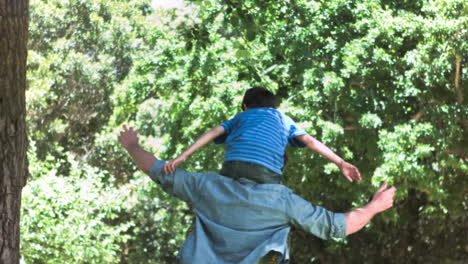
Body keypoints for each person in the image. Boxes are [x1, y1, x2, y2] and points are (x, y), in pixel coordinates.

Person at [119, 125, 396, 264]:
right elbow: (338, 227)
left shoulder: (206, 186)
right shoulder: (282, 201)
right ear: (278, 165)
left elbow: (157, 171)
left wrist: (132, 146)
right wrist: (374, 206)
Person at [162, 87, 361, 185]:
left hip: (233, 167)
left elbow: (214, 132)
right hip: (266, 173)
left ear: (245, 106)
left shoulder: (241, 116)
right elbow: (310, 141)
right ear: (273, 107)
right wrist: (340, 162)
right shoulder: (283, 118)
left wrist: (183, 156)